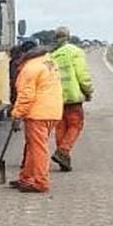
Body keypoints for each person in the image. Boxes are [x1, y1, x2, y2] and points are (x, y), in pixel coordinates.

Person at [9, 42, 63, 193]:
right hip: (52, 111)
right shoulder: (48, 62)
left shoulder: (30, 69)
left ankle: (40, 182)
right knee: (33, 147)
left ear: (22, 55)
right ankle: (26, 178)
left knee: (38, 148)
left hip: (38, 113)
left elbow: (26, 96)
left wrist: (16, 114)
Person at [48, 26, 94, 171]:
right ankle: (63, 151)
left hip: (56, 97)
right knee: (75, 125)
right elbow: (83, 74)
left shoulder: (51, 55)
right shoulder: (75, 52)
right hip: (73, 97)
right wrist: (88, 90)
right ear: (69, 36)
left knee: (60, 127)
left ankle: (64, 159)